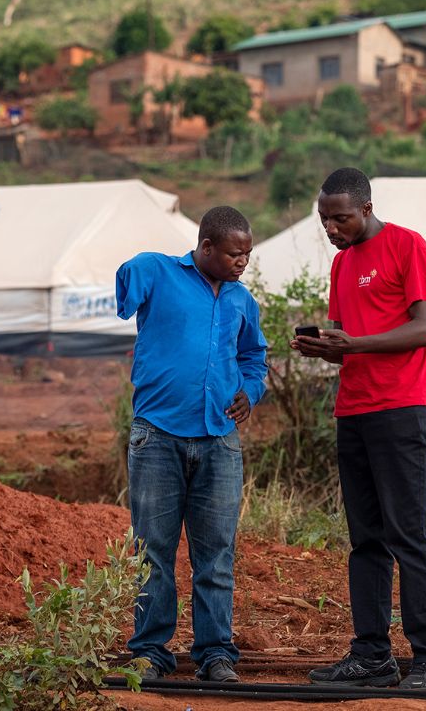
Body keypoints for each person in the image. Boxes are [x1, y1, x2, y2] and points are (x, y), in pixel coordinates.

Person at [292, 168, 426, 690]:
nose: (331, 228)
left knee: (409, 535)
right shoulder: (342, 265)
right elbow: (347, 339)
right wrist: (326, 347)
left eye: (339, 218)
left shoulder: (407, 244)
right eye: (324, 220)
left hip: (402, 406)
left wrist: (352, 345)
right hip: (354, 409)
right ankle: (372, 656)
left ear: (365, 209)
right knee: (365, 540)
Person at [115, 205, 268, 684]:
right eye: (233, 253)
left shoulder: (242, 300)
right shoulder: (159, 272)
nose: (242, 261)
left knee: (216, 552)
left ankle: (215, 653)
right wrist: (137, 265)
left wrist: (251, 391)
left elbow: (254, 357)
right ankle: (150, 652)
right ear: (205, 248)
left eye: (247, 254)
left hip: (220, 440)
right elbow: (126, 285)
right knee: (153, 550)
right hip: (157, 434)